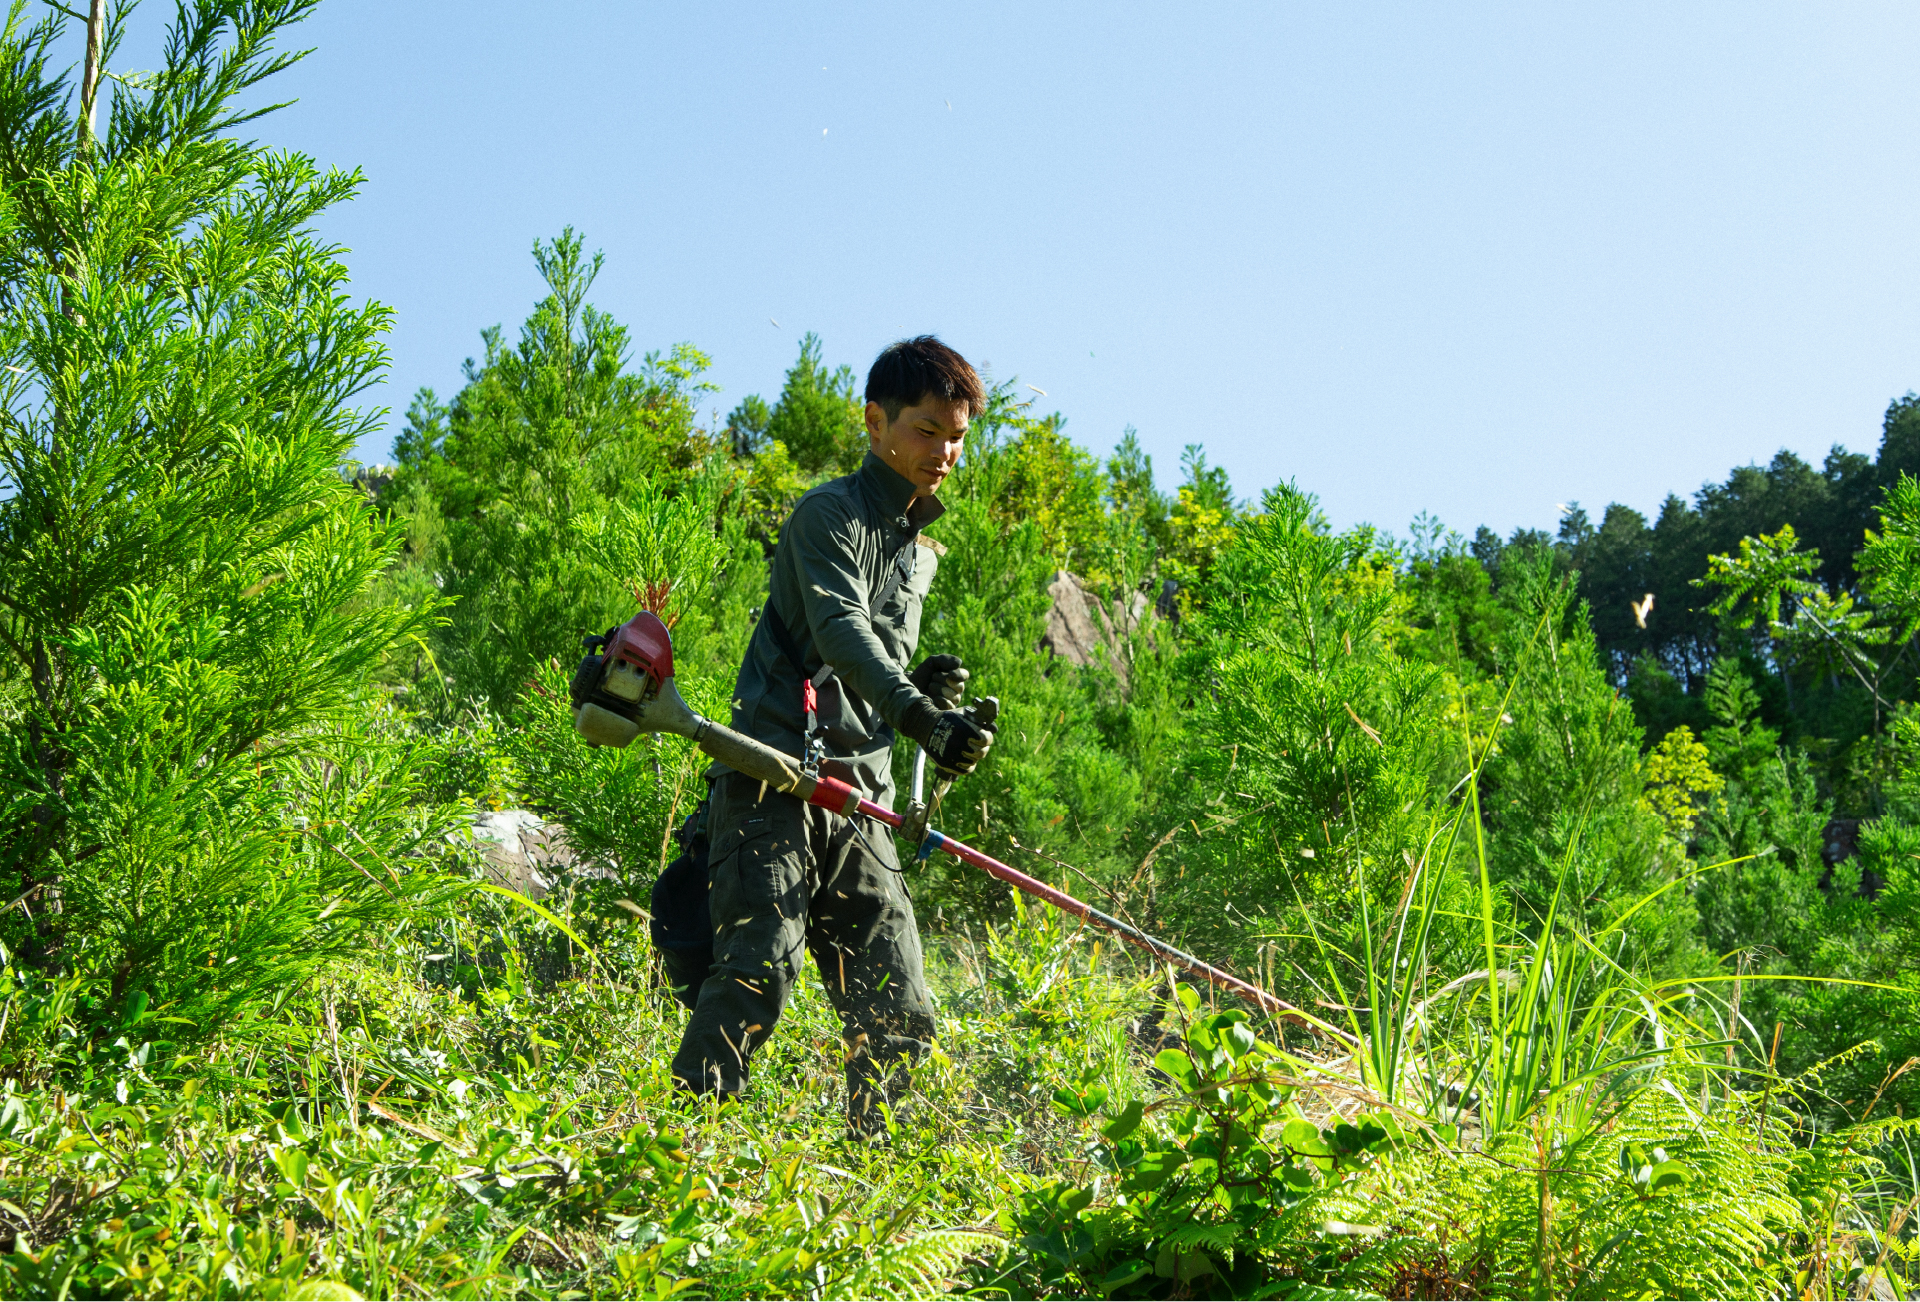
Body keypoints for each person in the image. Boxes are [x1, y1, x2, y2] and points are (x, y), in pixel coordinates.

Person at [669, 335, 995, 1139]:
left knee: (902, 1011)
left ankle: (871, 1175)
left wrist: (924, 695)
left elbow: (867, 667)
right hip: (775, 782)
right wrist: (924, 717)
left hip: (864, 805)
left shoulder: (916, 550)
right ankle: (669, 1159)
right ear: (875, 421)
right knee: (754, 978)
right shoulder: (830, 515)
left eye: (957, 436)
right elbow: (841, 632)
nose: (944, 452)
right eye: (926, 431)